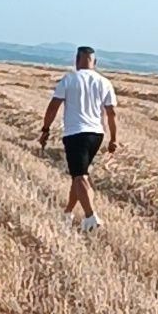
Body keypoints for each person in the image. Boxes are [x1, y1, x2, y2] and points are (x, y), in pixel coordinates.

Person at [39, 46, 117, 232]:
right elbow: (112, 113)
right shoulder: (104, 82)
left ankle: (91, 217)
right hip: (96, 135)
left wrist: (45, 129)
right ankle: (67, 212)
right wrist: (114, 139)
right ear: (95, 62)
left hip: (75, 134)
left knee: (79, 175)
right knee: (80, 174)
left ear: (76, 60)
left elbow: (53, 107)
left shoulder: (69, 79)